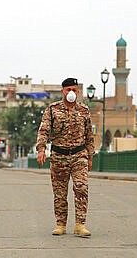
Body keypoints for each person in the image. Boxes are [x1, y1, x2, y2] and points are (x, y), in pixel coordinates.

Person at [36, 77, 94, 237]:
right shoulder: (52, 109)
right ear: (63, 91)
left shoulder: (84, 110)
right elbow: (44, 130)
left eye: (74, 90)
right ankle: (60, 224)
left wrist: (90, 156)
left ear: (78, 92)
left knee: (81, 188)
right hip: (59, 156)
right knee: (60, 193)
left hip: (79, 155)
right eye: (68, 90)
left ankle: (80, 225)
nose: (71, 93)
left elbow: (89, 135)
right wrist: (41, 149)